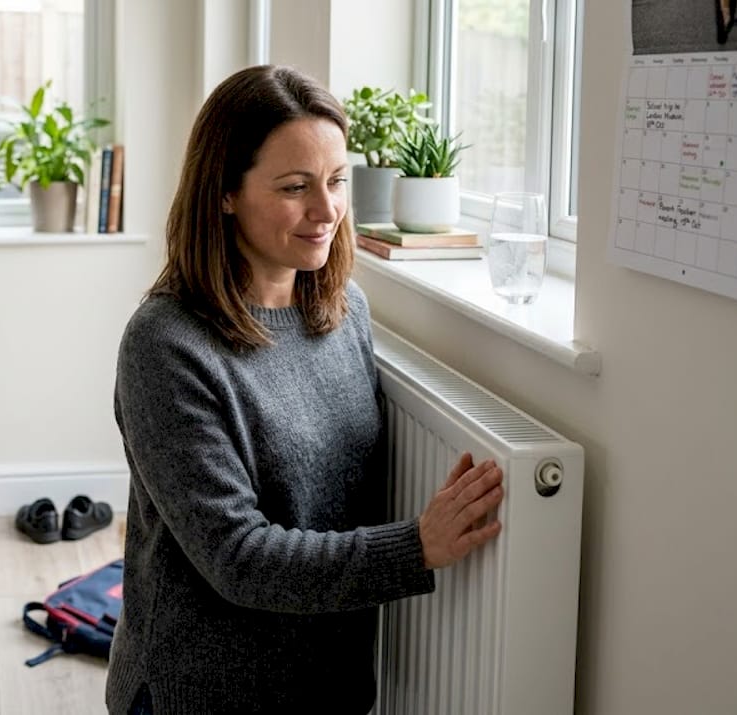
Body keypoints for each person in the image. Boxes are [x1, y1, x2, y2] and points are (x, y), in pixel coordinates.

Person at [106, 64, 505, 715]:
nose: (327, 211)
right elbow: (236, 556)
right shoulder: (166, 344)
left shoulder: (344, 310)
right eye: (295, 187)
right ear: (225, 192)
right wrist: (417, 547)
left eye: (338, 181)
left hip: (329, 685)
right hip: (203, 693)